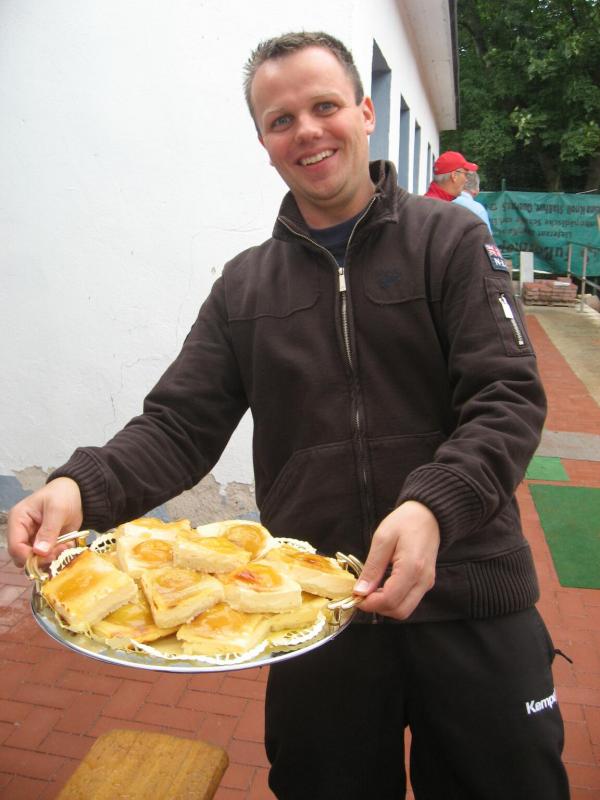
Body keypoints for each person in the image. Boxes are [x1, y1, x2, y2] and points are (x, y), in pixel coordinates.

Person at [8, 31, 569, 800]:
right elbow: (177, 426)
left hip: (471, 592)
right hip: (315, 614)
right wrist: (80, 486)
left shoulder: (451, 241)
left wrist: (433, 508)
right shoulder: (244, 289)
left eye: (324, 106)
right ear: (264, 143)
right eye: (280, 120)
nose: (306, 130)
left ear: (365, 113)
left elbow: (507, 395)